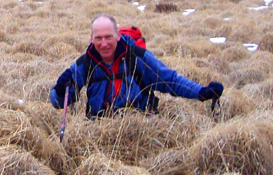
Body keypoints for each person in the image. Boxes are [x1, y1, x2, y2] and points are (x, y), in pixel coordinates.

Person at [50, 13, 224, 117]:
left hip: (141, 123)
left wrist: (201, 92)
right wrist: (58, 90)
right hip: (99, 128)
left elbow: (169, 81)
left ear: (118, 35)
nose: (104, 43)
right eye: (98, 38)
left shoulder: (137, 57)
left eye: (108, 37)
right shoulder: (85, 63)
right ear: (91, 39)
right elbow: (59, 103)